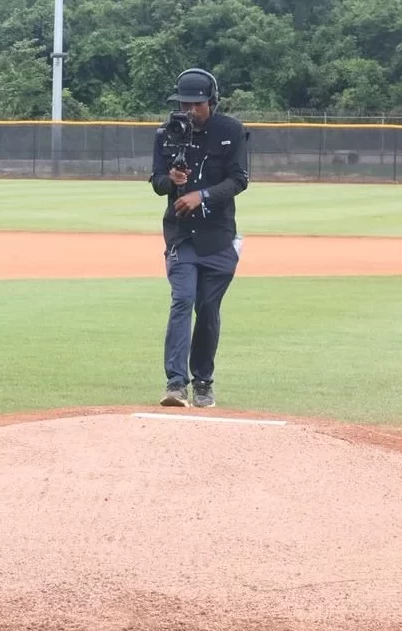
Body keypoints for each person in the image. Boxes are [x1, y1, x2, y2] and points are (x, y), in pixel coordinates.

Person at [149, 68, 249, 409]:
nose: (190, 111)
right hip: (181, 235)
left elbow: (239, 180)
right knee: (182, 301)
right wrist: (172, 179)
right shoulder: (166, 133)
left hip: (219, 236)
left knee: (208, 309)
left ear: (212, 102)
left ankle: (203, 381)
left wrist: (201, 195)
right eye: (184, 104)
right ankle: (176, 384)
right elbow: (157, 181)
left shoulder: (231, 131)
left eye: (197, 104)